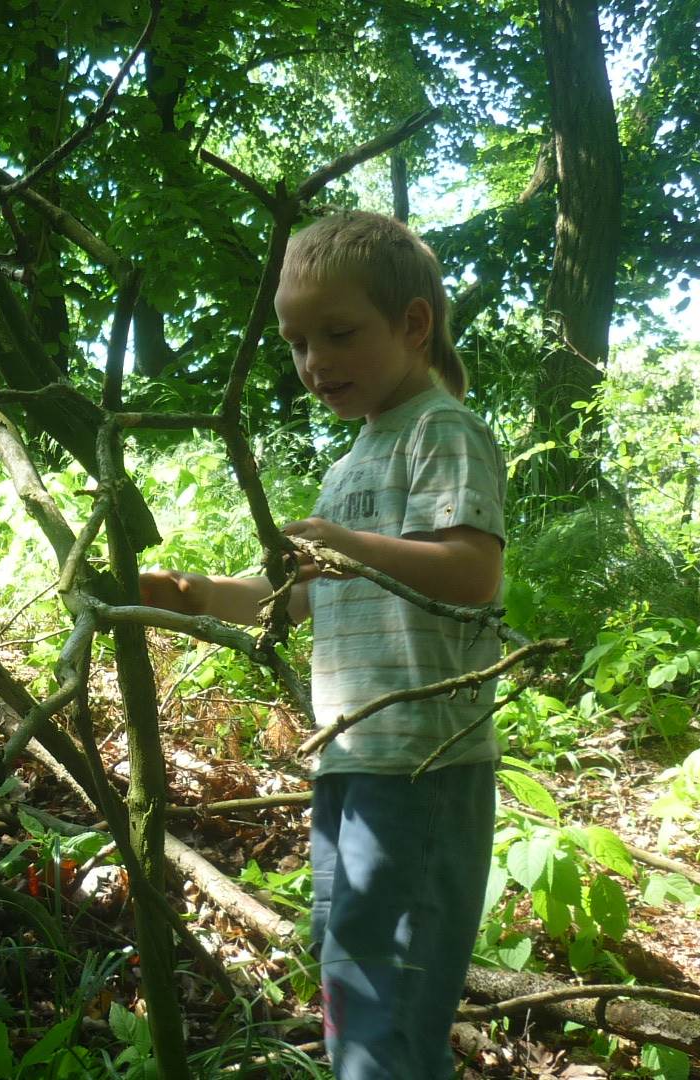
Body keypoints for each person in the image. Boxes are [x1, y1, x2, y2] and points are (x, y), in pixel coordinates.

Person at [141, 211, 506, 1079]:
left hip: (422, 763)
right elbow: (302, 592)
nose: (314, 362)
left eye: (338, 334)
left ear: (413, 324)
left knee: (391, 994)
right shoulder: (352, 462)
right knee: (351, 969)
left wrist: (349, 546)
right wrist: (194, 594)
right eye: (297, 343)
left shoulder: (442, 431)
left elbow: (471, 571)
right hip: (351, 759)